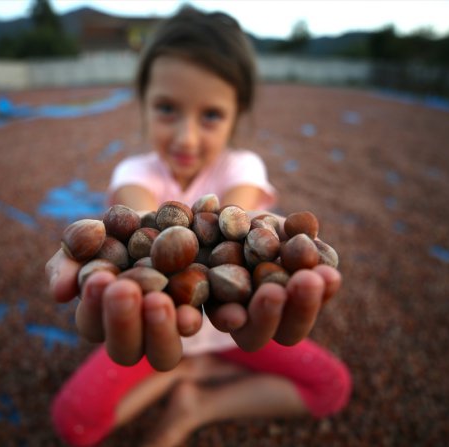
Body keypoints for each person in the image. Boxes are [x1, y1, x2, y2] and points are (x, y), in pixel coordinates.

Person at [45, 7, 351, 447]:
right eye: (167, 108)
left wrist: (267, 237)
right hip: (157, 329)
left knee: (332, 386)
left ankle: (198, 405)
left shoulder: (244, 165)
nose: (187, 138)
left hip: (235, 327)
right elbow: (142, 224)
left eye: (210, 115)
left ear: (237, 112)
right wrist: (98, 249)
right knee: (73, 423)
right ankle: (188, 372)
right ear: (144, 103)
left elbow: (235, 217)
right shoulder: (135, 171)